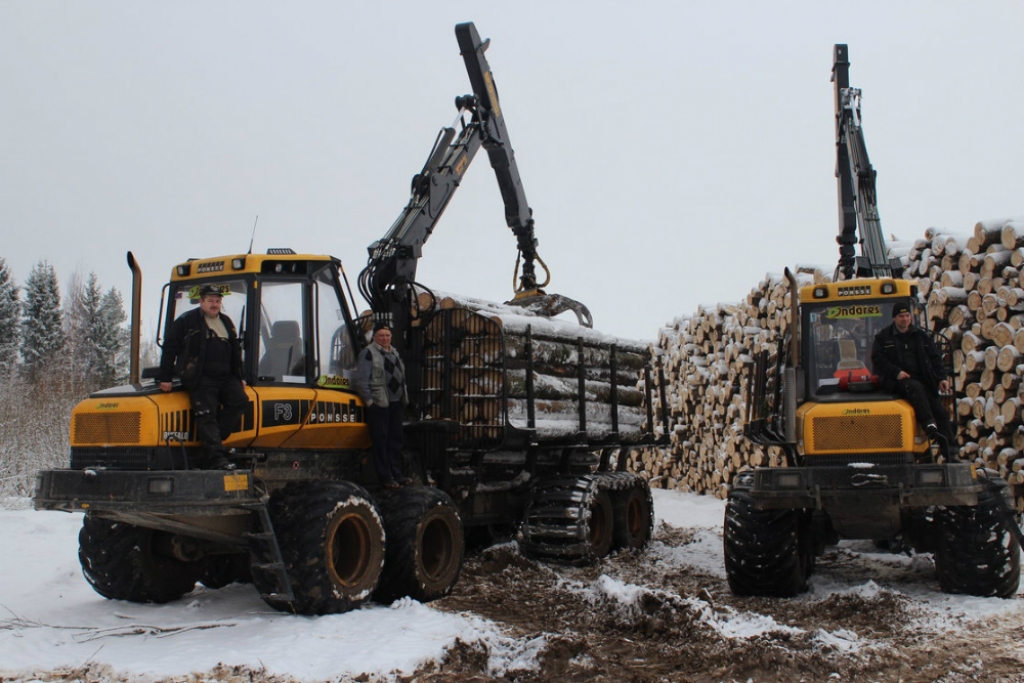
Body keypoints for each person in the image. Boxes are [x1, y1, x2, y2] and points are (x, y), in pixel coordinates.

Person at [157, 284, 248, 470]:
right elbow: (170, 347)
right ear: (201, 302)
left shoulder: (226, 321)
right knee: (207, 414)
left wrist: (240, 377)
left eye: (217, 301)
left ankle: (213, 438)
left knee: (240, 400)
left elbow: (235, 351)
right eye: (210, 301)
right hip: (201, 376)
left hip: (225, 376)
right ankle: (216, 458)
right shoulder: (187, 321)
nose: (214, 304)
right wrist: (164, 377)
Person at [871, 300, 955, 459]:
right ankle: (928, 424)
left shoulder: (920, 336)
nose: (905, 319)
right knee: (915, 388)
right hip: (897, 382)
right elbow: (878, 359)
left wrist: (941, 378)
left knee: (941, 413)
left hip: (923, 380)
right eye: (901, 316)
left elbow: (934, 358)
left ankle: (951, 453)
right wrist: (896, 372)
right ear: (894, 318)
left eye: (907, 315)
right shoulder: (883, 338)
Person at [351, 322, 411, 489]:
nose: (385, 338)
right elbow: (360, 379)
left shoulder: (394, 353)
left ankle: (397, 474)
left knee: (396, 440)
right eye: (381, 335)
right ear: (374, 337)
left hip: (395, 403)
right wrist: (370, 402)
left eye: (387, 335)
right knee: (381, 440)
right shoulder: (368, 353)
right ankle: (385, 476)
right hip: (380, 404)